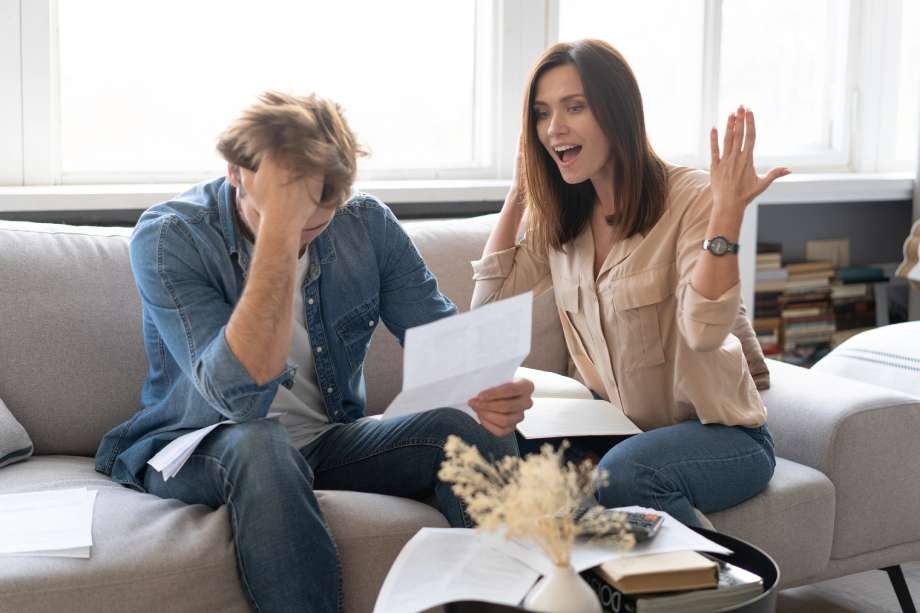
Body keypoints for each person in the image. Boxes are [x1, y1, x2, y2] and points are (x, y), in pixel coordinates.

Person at [95, 91, 534, 613]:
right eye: (286, 209)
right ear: (237, 173)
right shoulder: (171, 238)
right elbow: (238, 399)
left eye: (320, 213)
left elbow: (444, 341)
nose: (306, 228)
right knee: (261, 444)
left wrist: (490, 391)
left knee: (468, 429)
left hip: (328, 440)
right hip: (197, 445)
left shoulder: (364, 224)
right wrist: (277, 236)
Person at [472, 39, 787, 528]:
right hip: (616, 432)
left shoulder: (691, 198)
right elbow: (488, 310)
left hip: (718, 438)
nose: (554, 127)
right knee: (493, 458)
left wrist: (727, 214)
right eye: (541, 113)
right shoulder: (561, 216)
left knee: (622, 473)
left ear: (617, 112)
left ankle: (717, 584)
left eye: (574, 107)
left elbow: (705, 331)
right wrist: (519, 191)